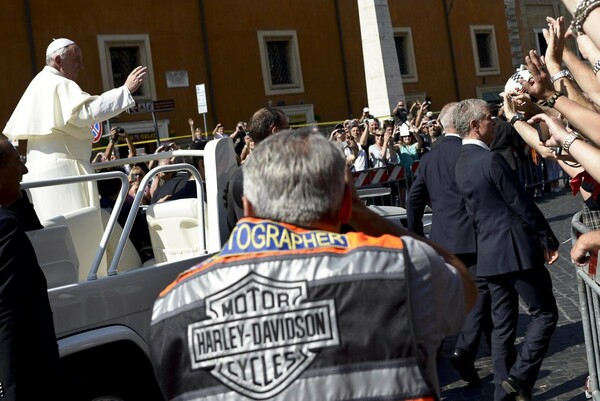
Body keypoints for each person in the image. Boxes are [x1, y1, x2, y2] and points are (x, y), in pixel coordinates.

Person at [150, 129, 477, 401]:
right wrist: (364, 216)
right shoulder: (400, 265)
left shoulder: (171, 305)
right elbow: (463, 287)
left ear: (247, 206)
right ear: (345, 203)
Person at [454, 99, 560, 401]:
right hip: (516, 250)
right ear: (475, 125)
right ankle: (518, 376)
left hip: (488, 254)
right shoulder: (490, 161)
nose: (494, 124)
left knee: (502, 328)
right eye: (489, 119)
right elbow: (520, 203)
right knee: (545, 314)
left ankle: (504, 393)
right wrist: (547, 239)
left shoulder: (460, 163)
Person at [2, 38, 147, 222]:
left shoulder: (41, 82)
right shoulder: (58, 82)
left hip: (44, 171)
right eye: (76, 60)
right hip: (64, 170)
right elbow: (85, 112)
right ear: (58, 61)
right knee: (78, 230)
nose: (81, 66)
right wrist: (125, 90)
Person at [406, 101, 491, 386]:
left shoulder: (429, 158)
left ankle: (474, 349)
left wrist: (417, 234)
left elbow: (413, 200)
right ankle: (467, 350)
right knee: (482, 294)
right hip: (474, 235)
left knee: (456, 298)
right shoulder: (468, 150)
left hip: (442, 240)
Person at [0, 139, 61, 400]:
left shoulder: (10, 221)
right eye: (18, 162)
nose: (24, 171)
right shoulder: (5, 228)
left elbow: (36, 238)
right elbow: (6, 319)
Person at [224, 107, 289, 230]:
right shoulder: (287, 172)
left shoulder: (238, 176)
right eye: (287, 129)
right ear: (276, 132)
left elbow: (232, 225)